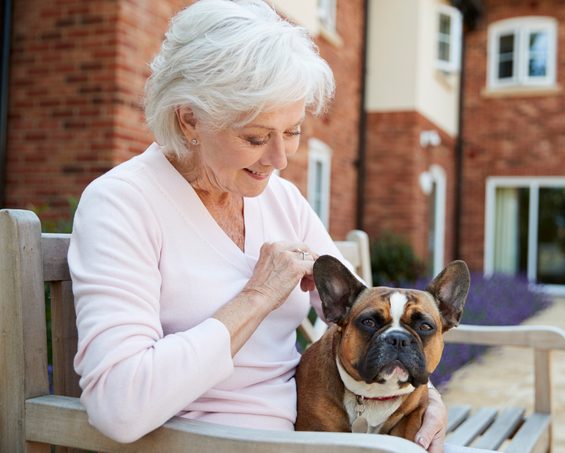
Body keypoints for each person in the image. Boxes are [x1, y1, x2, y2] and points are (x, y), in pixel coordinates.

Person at [67, 0, 447, 450]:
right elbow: (119, 406)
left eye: (292, 132)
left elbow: (365, 319)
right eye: (255, 137)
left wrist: (422, 395)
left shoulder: (280, 198)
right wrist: (258, 296)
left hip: (305, 436)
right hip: (205, 441)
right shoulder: (123, 203)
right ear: (190, 118)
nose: (280, 159)